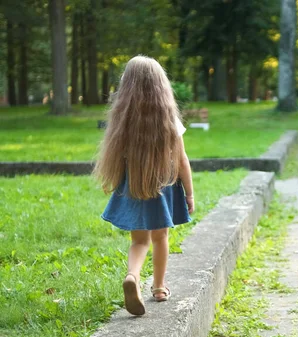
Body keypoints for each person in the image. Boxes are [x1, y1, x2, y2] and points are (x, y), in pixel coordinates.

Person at [93, 56, 195, 316]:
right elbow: (182, 161)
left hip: (134, 185)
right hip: (164, 186)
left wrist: (112, 180)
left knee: (139, 241)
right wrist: (190, 194)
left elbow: (113, 156)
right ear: (162, 87)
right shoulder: (170, 121)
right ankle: (159, 287)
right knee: (161, 237)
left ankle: (132, 276)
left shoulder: (123, 122)